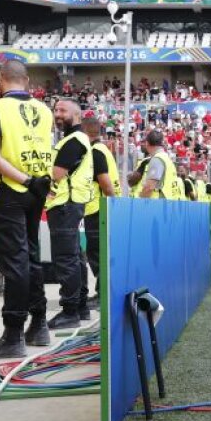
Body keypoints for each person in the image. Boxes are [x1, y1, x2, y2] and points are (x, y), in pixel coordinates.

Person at [0, 60, 55, 359]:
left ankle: (13, 333)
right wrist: (36, 182)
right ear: (27, 80)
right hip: (37, 189)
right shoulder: (44, 110)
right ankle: (39, 324)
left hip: (11, 189)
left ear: (1, 78)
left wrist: (24, 180)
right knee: (32, 257)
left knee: (15, 263)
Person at [45, 99, 94, 329]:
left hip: (65, 204)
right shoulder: (75, 139)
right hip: (71, 204)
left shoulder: (74, 140)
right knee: (75, 257)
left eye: (63, 110)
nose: (58, 114)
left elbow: (56, 173)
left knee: (66, 260)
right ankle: (80, 308)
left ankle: (70, 311)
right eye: (56, 110)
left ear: (76, 114)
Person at [81, 115, 117, 311]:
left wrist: (109, 202)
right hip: (104, 207)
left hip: (98, 209)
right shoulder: (104, 149)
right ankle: (104, 291)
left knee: (97, 254)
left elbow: (104, 182)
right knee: (101, 253)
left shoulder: (94, 151)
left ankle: (103, 294)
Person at [131, 130, 183, 200]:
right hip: (168, 203)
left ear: (147, 143)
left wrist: (139, 203)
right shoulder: (166, 158)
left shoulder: (157, 159)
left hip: (158, 204)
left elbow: (149, 187)